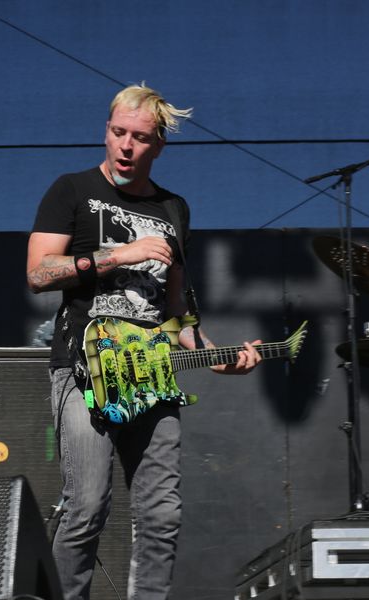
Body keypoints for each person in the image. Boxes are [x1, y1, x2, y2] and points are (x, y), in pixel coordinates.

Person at [26, 84, 262, 600]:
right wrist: (118, 255)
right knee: (87, 506)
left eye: (139, 138)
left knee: (161, 513)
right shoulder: (72, 189)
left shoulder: (173, 209)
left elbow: (175, 310)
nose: (126, 146)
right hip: (85, 370)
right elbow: (38, 274)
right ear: (106, 131)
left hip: (154, 374)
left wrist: (214, 355)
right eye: (118, 133)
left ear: (158, 145)